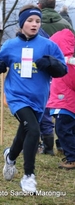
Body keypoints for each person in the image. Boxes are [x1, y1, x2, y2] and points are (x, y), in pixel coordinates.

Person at [0, 4, 67, 193]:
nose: (34, 24)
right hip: (17, 96)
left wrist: (50, 62)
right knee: (33, 129)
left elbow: (62, 69)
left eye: (38, 21)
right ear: (22, 23)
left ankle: (10, 156)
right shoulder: (10, 45)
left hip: (38, 98)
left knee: (24, 133)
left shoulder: (48, 45)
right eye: (30, 21)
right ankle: (29, 176)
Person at [37, 0, 74, 155]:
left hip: (45, 68)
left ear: (40, 5)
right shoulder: (66, 23)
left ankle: (44, 144)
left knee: (45, 106)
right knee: (63, 112)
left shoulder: (35, 21)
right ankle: (60, 145)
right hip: (65, 71)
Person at [46, 29, 75, 169]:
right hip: (64, 101)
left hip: (65, 102)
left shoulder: (67, 62)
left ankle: (72, 158)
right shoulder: (61, 60)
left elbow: (72, 81)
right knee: (67, 130)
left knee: (63, 130)